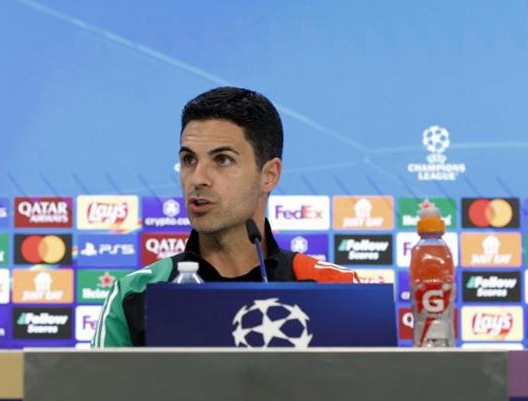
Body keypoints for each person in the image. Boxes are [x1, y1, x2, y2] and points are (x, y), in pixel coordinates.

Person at [92, 86, 358, 348]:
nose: (198, 179)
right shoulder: (134, 295)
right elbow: (101, 392)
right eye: (188, 160)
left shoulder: (337, 289)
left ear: (269, 175)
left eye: (222, 160)